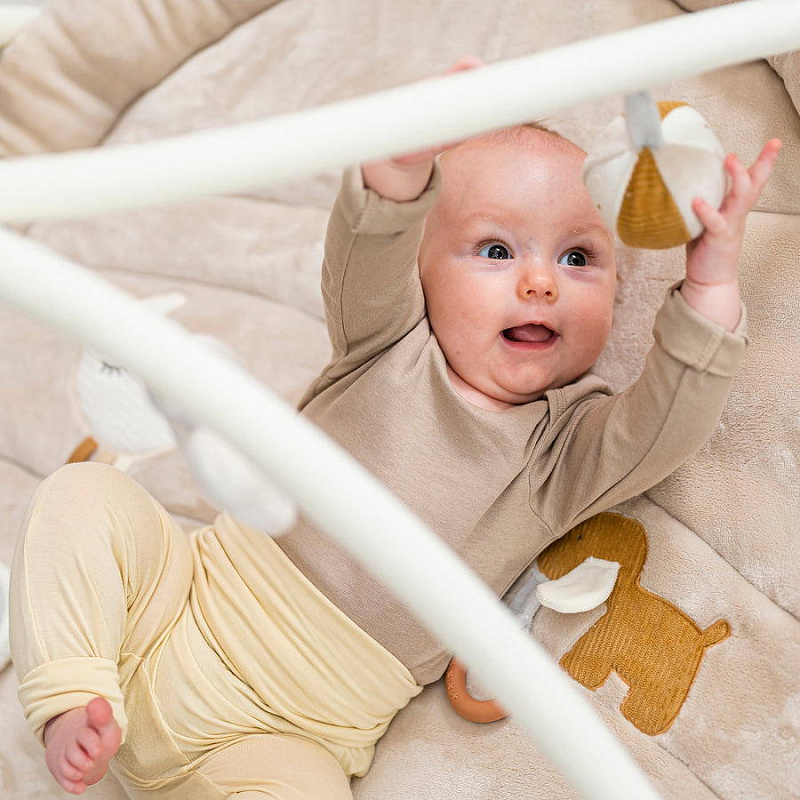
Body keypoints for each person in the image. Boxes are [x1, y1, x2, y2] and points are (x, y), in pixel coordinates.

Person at [10, 61, 781, 797]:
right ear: (424, 267)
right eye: (496, 249)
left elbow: (668, 422)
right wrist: (403, 159)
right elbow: (367, 248)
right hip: (171, 609)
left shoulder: (565, 450)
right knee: (86, 494)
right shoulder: (385, 341)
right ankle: (69, 694)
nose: (540, 281)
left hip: (292, 736)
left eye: (579, 257)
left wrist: (710, 280)